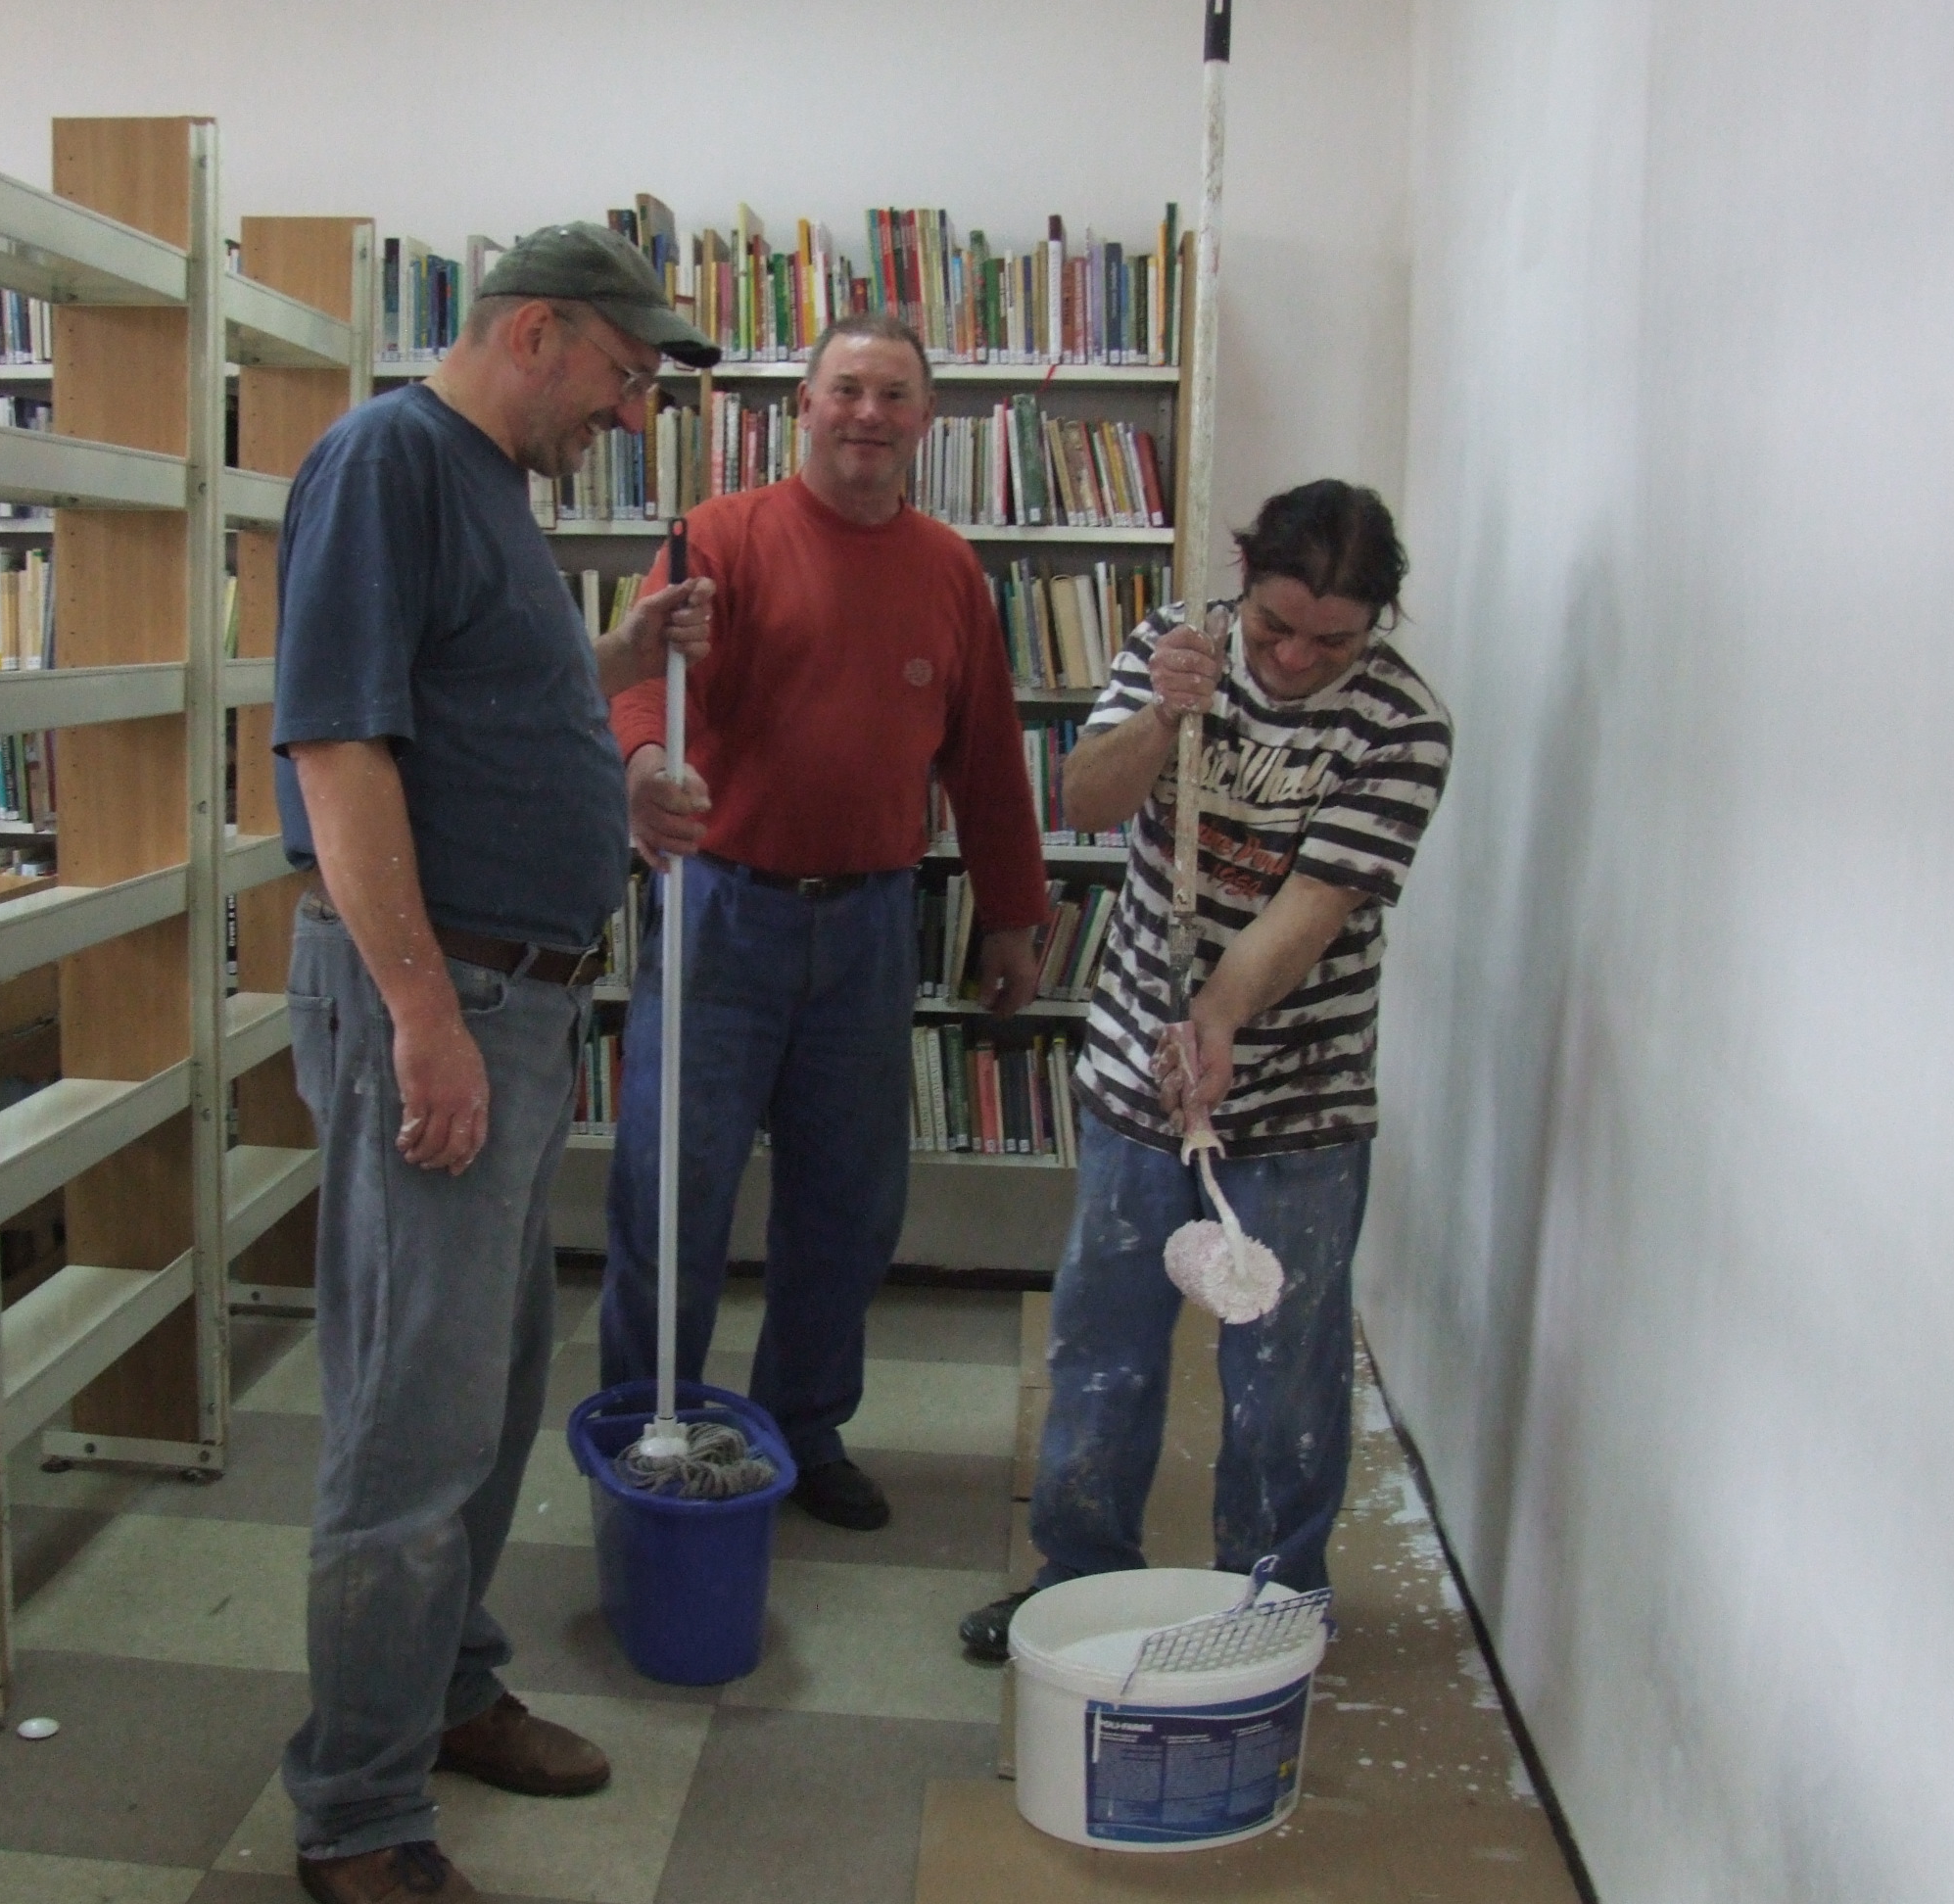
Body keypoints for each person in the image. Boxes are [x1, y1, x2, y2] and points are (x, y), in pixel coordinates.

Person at [270, 224, 719, 1904]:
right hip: (442, 996)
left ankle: (445, 1688)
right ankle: (357, 1811)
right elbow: (339, 746)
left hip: (511, 1003)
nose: (631, 410)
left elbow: (466, 706)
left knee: (491, 1386)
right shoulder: (388, 462)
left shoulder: (485, 490)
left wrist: (613, 736)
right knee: (412, 1418)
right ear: (536, 332)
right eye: (623, 373)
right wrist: (421, 1014)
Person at [959, 479, 1453, 1662]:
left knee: (1283, 1380)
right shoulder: (1171, 646)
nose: (1294, 659)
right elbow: (1085, 799)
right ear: (1244, 582)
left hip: (1300, 1095)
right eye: (1275, 626)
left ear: (1378, 623)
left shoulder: (1402, 726)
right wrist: (1162, 721)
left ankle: (1270, 1612)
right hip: (1137, 1074)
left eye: (1333, 640)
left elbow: (1317, 903)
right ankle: (1075, 1582)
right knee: (1103, 1349)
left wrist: (1220, 1018)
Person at [596, 311, 1049, 1531]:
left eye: (893, 395)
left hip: (868, 928)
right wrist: (643, 765)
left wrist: (1013, 916)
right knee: (670, 1196)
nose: (868, 414)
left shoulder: (948, 571)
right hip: (722, 912)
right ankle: (648, 1428)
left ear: (927, 420)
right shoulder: (719, 537)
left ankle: (802, 1427)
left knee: (846, 1206)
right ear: (802, 406)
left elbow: (988, 759)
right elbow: (638, 681)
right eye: (846, 389)